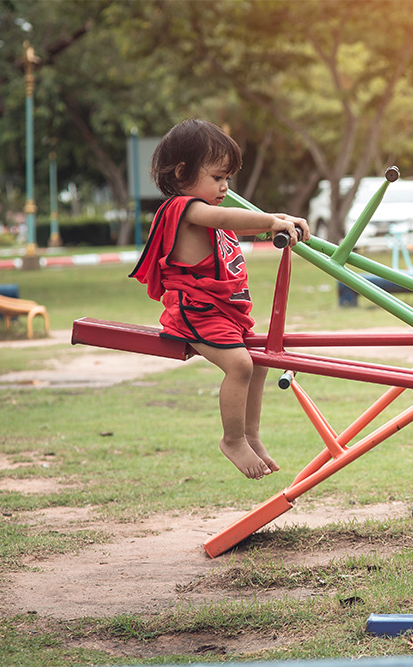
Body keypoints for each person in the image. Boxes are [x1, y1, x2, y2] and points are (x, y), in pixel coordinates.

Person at [130, 119, 310, 479]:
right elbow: (223, 216)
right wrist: (272, 222)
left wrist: (277, 219)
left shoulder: (209, 213)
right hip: (195, 312)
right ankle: (232, 439)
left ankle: (251, 434)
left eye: (227, 179)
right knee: (240, 365)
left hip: (222, 314)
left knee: (258, 361)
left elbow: (241, 223)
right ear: (182, 173)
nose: (225, 187)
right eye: (217, 178)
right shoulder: (184, 209)